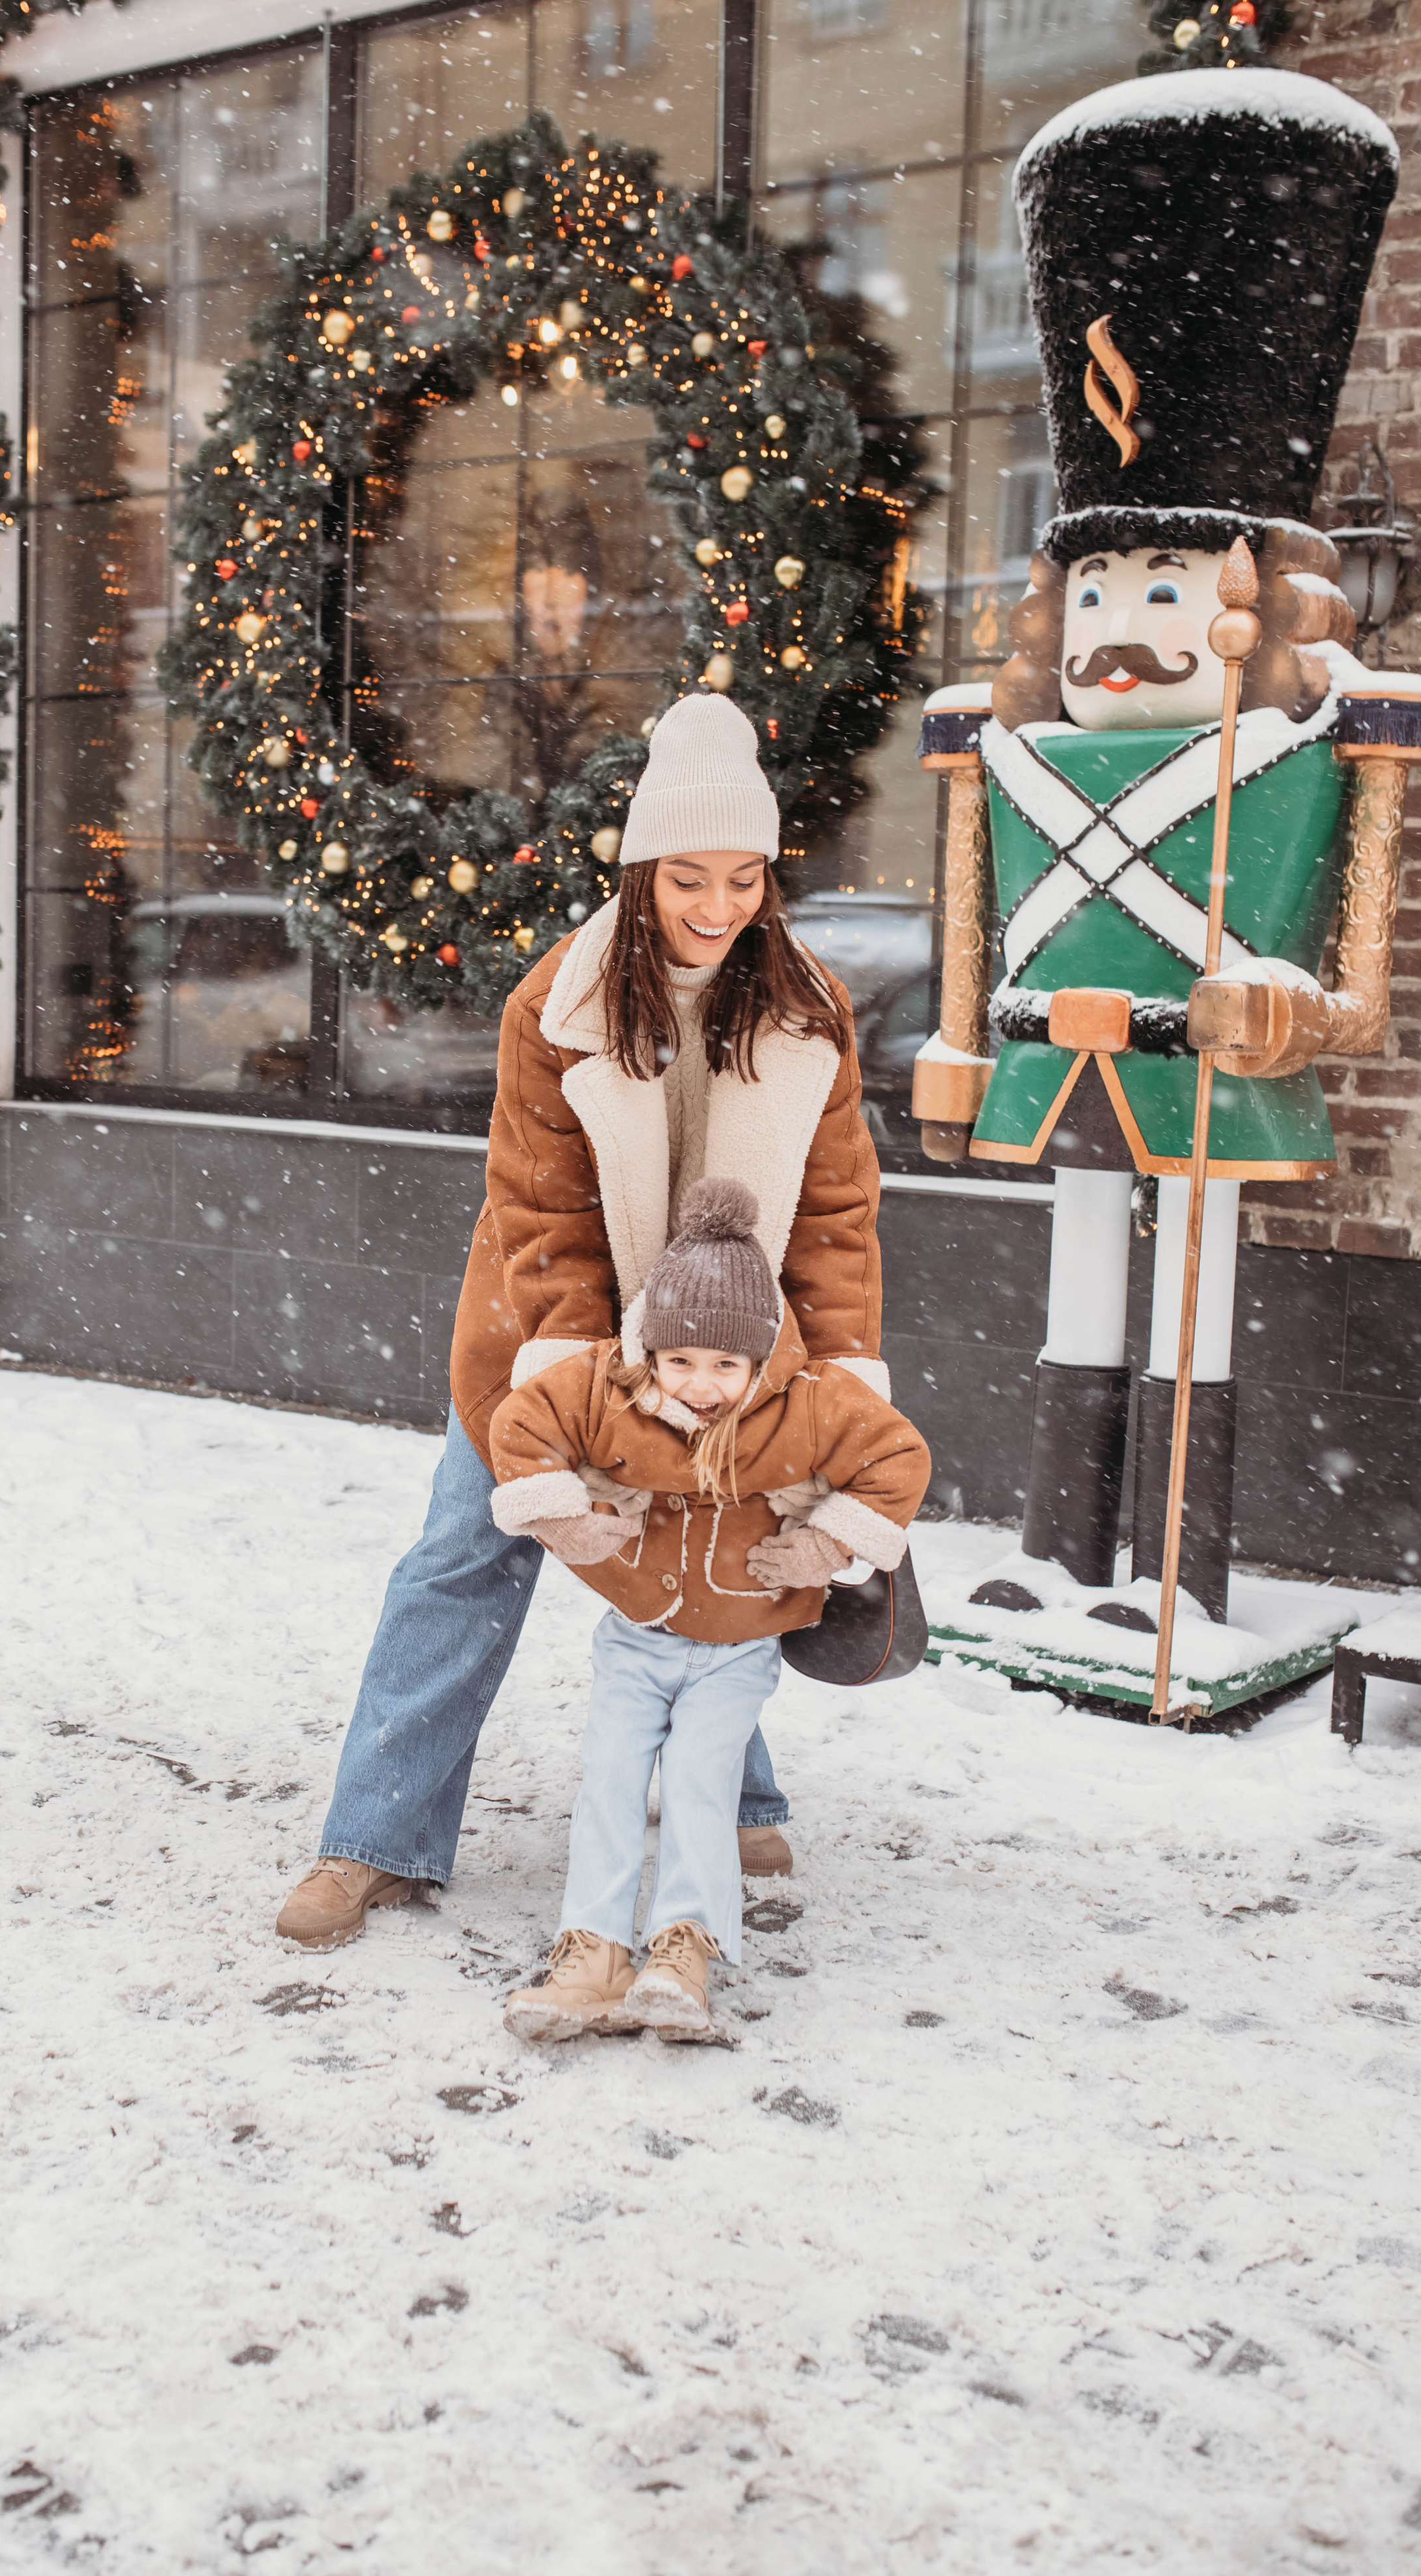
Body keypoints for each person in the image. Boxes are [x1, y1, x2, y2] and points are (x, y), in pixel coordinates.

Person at [274, 692, 893, 1950]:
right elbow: (540, 1211)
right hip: (541, 1334)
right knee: (467, 1554)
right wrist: (591, 1386)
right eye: (687, 880)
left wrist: (835, 1387)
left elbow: (835, 1218)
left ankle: (736, 1798)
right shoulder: (554, 1006)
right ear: (641, 871)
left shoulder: (807, 1014)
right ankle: (375, 1836)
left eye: (742, 878)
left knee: (720, 1544)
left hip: (734, 1347)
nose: (716, 909)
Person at [490, 1178, 930, 2043]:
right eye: (681, 1361)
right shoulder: (606, 1388)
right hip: (636, 1635)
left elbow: (897, 1456)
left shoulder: (805, 1406)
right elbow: (522, 1424)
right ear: (650, 1349)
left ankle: (682, 1946)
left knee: (697, 1779)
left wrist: (822, 1543)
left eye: (727, 1365)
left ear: (762, 1357)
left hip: (739, 1644)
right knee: (610, 1779)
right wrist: (564, 1519)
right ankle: (592, 1949)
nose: (702, 1385)